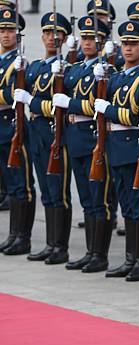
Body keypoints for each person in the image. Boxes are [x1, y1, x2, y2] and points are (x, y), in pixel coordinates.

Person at [52, 15, 115, 273]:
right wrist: (63, 62)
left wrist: (71, 104)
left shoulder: (104, 69)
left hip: (92, 139)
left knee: (100, 199)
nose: (88, 42)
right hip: (75, 138)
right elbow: (61, 89)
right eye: (85, 38)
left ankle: (100, 254)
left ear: (102, 41)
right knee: (87, 200)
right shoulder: (77, 68)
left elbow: (94, 106)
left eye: (93, 38)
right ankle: (90, 251)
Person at [95, 21, 139, 282]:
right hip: (116, 148)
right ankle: (130, 259)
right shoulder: (117, 76)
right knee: (127, 207)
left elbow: (134, 116)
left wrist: (107, 109)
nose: (128, 49)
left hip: (133, 148)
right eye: (125, 44)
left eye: (134, 44)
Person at [14, 11, 72, 264]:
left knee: (58, 190)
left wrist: (34, 103)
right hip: (36, 133)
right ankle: (50, 244)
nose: (52, 38)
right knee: (46, 190)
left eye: (57, 33)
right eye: (48, 33)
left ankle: (60, 246)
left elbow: (61, 106)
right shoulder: (37, 66)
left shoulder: (67, 69)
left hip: (54, 132)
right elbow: (18, 90)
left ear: (66, 37)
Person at [0, 8, 36, 256]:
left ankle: (23, 236)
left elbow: (13, 96)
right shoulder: (3, 62)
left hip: (14, 126)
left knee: (21, 183)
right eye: (1, 30)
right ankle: (13, 234)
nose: (5, 35)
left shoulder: (20, 64)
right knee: (9, 184)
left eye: (10, 30)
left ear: (18, 34)